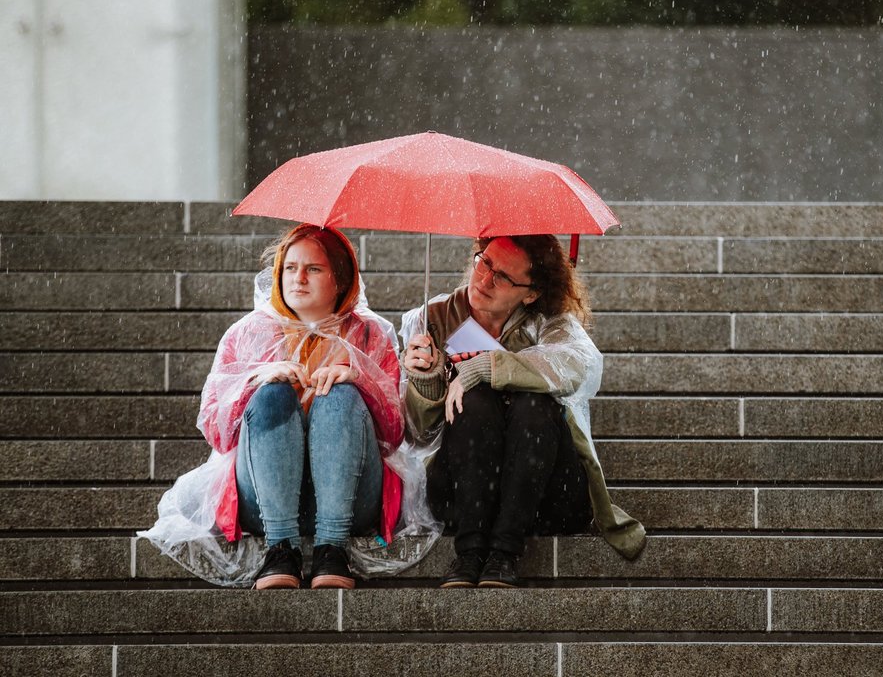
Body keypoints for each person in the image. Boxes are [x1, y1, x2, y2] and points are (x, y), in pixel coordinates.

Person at [140, 224, 439, 588]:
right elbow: (216, 434)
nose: (298, 278)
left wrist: (358, 379)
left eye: (313, 269)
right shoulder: (246, 333)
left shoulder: (369, 335)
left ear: (340, 279)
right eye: (289, 267)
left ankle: (333, 549)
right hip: (264, 503)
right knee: (272, 394)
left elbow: (393, 437)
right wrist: (256, 379)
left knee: (339, 394)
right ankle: (280, 549)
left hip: (354, 498)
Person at [401, 234, 645, 588]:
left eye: (503, 276)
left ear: (530, 293)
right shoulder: (432, 319)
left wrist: (486, 368)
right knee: (477, 401)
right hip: (458, 492)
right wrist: (425, 382)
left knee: (534, 402)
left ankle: (503, 552)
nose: (484, 280)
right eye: (484, 262)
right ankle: (469, 553)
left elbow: (577, 365)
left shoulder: (550, 323)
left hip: (544, 495)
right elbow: (417, 435)